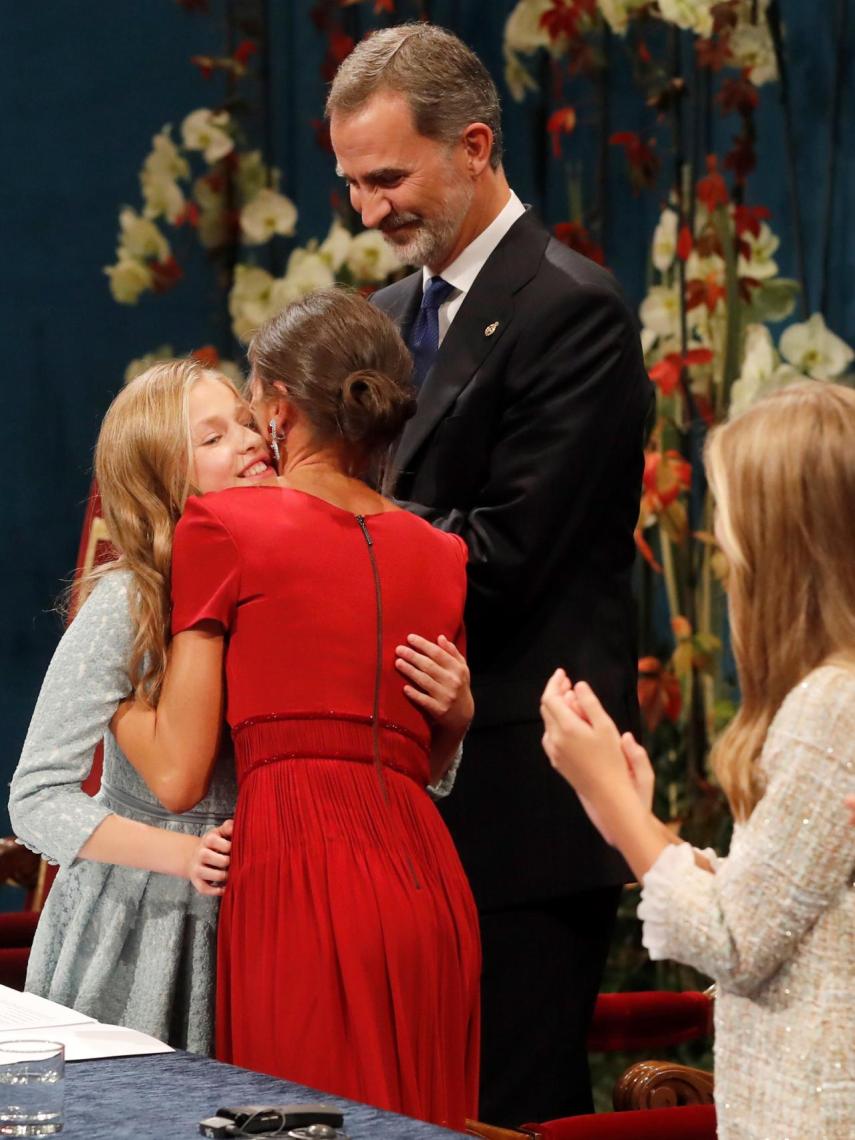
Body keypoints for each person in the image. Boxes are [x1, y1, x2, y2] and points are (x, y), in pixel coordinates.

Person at [327, 23, 652, 1125]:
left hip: (524, 809)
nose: (368, 210)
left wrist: (328, 530)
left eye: (387, 178)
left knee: (506, 1106)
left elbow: (505, 560)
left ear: (473, 147)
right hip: (398, 803)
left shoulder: (575, 312)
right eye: (352, 184)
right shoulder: (380, 318)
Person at [110, 288, 481, 1130]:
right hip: (429, 883)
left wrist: (120, 701)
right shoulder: (443, 555)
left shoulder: (224, 526)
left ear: (278, 410)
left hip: (302, 873)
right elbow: (414, 755)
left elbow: (175, 774)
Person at [540, 382, 855, 1140]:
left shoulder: (830, 704)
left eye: (730, 518)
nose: (722, 547)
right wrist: (635, 818)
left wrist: (610, 796)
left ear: (782, 540)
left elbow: (737, 942)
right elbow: (784, 898)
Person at [8, 359, 272, 1051]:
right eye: (212, 439)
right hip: (141, 925)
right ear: (162, 480)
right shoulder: (128, 600)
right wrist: (180, 855)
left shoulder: (290, 582)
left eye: (246, 422)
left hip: (266, 915)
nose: (247, 441)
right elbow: (37, 794)